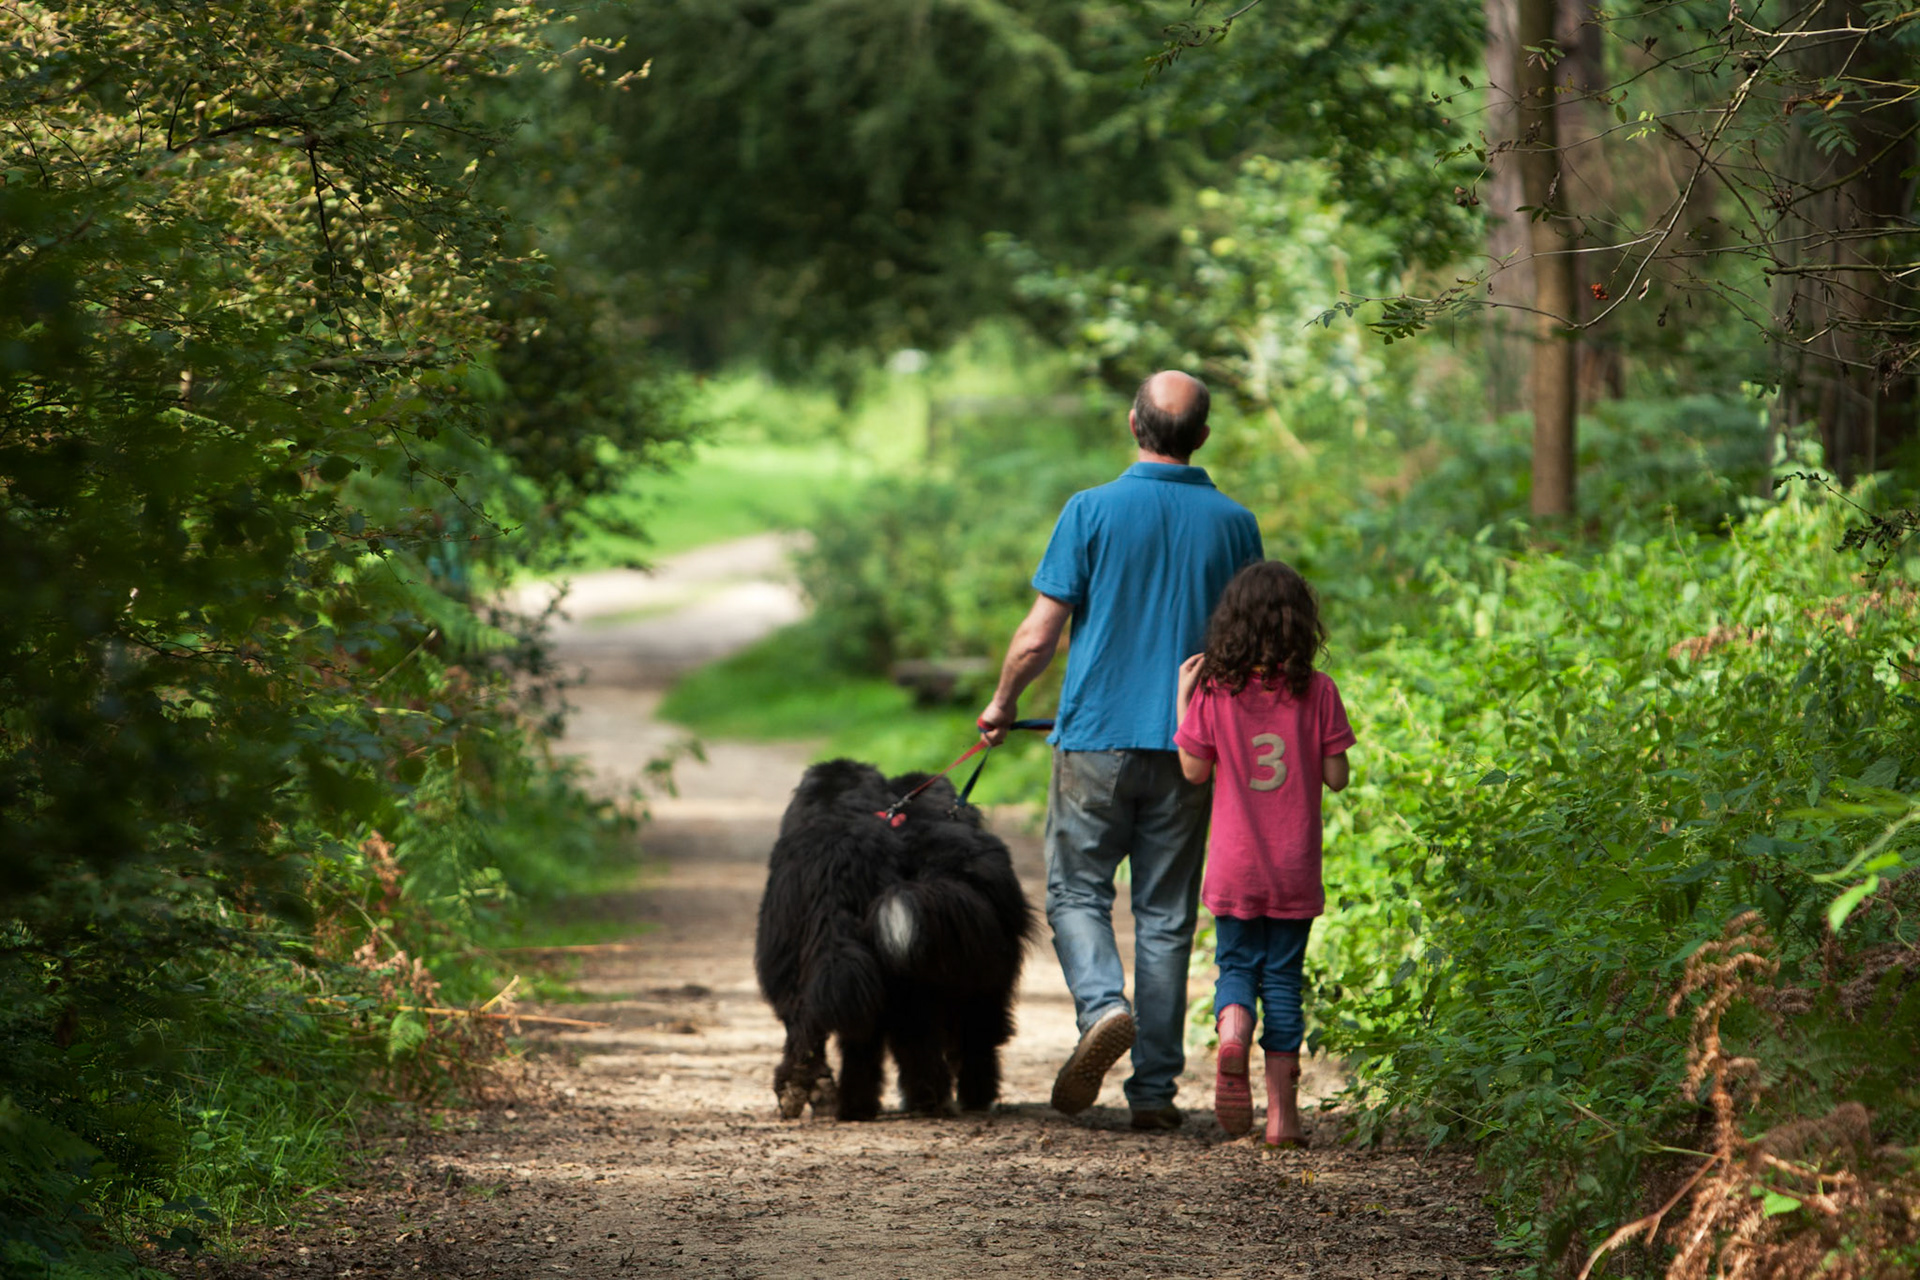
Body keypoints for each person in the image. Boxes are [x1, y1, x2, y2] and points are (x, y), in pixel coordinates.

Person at [977, 370, 1263, 1131]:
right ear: (1202, 435)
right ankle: (1154, 1094)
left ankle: (1104, 1006)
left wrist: (1003, 703)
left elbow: (1040, 632)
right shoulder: (1236, 525)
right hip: (1192, 746)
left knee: (1076, 893)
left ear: (1133, 425)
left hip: (1097, 738)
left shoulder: (1090, 510)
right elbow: (1253, 642)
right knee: (1167, 916)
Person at [1171, 560, 1354, 1146]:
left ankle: (1231, 1033)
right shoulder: (1320, 692)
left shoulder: (1214, 690)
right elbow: (1337, 777)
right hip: (1293, 867)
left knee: (1236, 967)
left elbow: (1194, 770)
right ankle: (1283, 1119)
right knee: (1282, 981)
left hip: (1234, 865)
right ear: (1302, 625)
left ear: (1233, 624)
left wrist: (1182, 698)